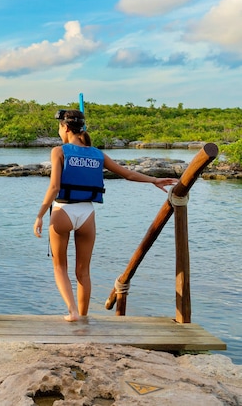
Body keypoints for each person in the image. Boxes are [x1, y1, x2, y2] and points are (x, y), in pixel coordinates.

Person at [33, 109, 178, 321]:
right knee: (83, 271)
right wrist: (153, 180)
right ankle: (83, 316)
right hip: (86, 215)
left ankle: (72, 311)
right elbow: (127, 174)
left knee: (59, 266)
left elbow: (54, 186)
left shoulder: (59, 151)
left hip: (62, 210)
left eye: (59, 127)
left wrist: (40, 215)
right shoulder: (97, 154)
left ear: (64, 128)